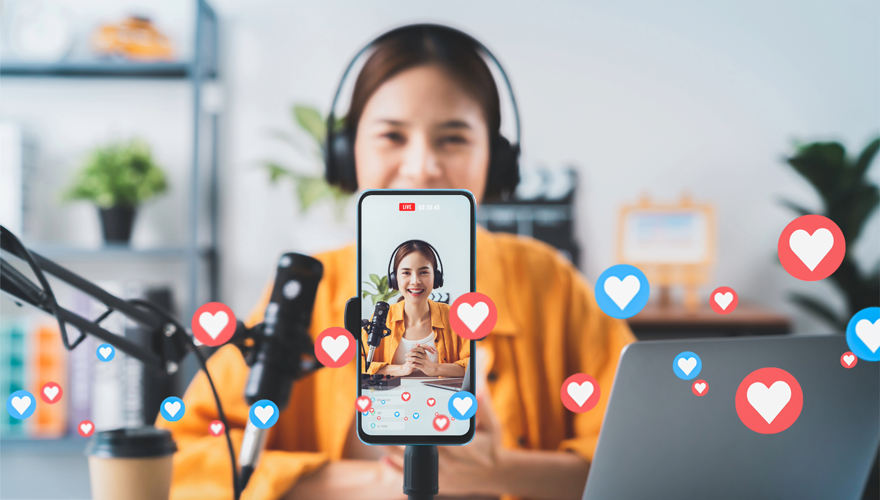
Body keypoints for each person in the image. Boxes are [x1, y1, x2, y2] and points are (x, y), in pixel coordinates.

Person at [157, 24, 635, 500]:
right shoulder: (312, 288)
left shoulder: (548, 282)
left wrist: (500, 471)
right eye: (392, 136)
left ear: (497, 159)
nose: (422, 166)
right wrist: (378, 482)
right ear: (346, 155)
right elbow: (179, 457)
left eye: (453, 139)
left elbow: (642, 463)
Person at [363, 240, 468, 377]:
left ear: (436, 278)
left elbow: (475, 364)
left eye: (423, 272)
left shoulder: (455, 317)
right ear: (394, 279)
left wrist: (434, 369)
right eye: (406, 273)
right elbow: (360, 364)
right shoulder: (383, 317)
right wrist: (402, 369)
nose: (415, 281)